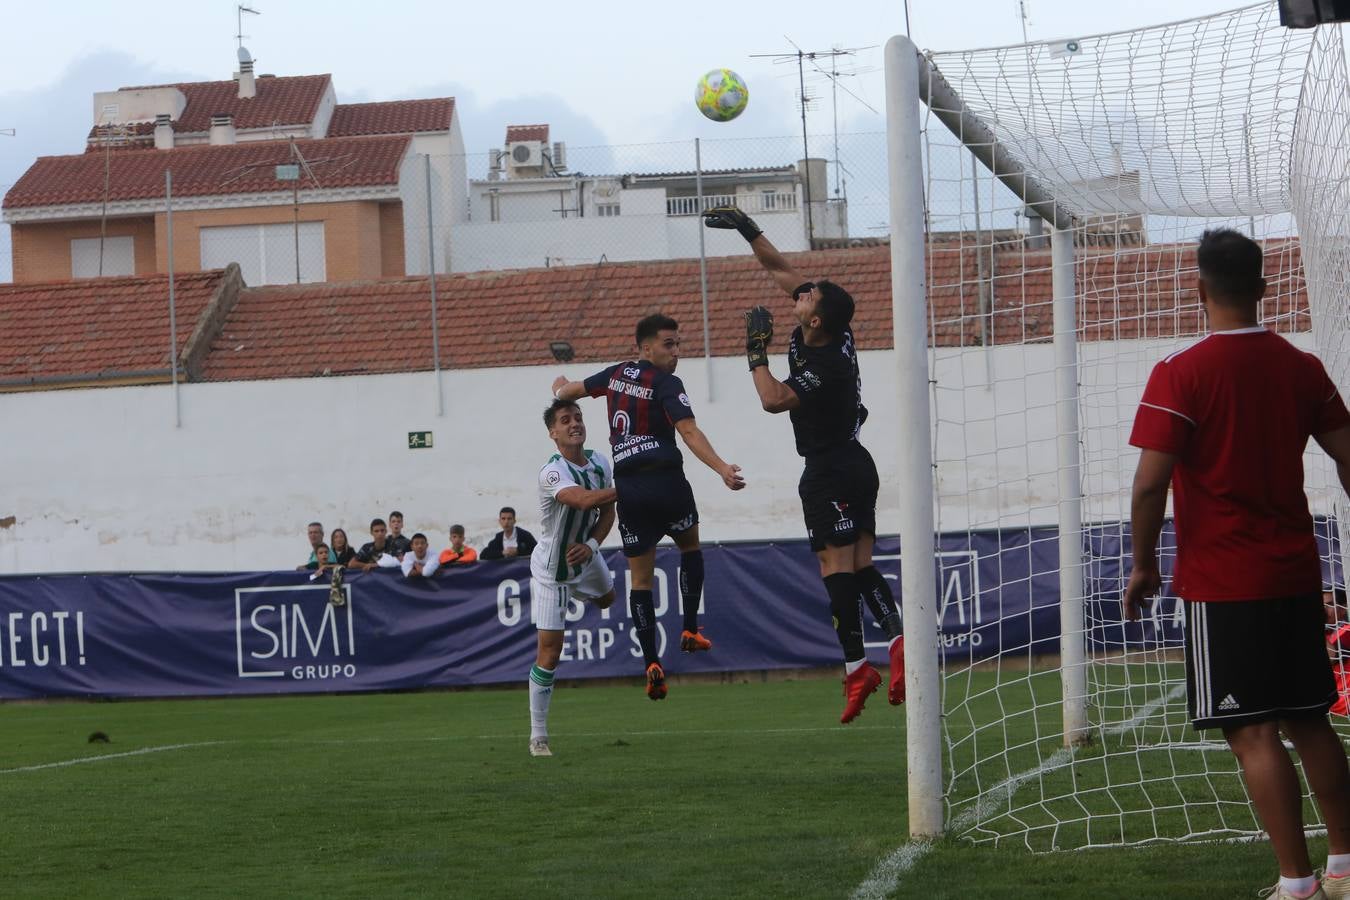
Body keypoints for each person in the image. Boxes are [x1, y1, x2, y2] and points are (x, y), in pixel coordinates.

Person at [1123, 228, 1350, 900]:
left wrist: (1142, 564)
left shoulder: (1179, 374)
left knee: (1251, 730)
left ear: (1199, 290)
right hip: (1294, 574)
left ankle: (1296, 883)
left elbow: (1147, 485)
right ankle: (1345, 866)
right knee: (1311, 721)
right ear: (1261, 287)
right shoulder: (1300, 367)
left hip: (1225, 584)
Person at [702, 205, 905, 724]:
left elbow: (772, 400)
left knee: (833, 568)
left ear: (815, 319)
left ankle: (858, 667)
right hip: (857, 463)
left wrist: (753, 350)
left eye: (809, 295)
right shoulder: (823, 327)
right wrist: (748, 228)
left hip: (831, 467)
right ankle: (899, 645)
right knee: (859, 566)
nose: (802, 291)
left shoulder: (825, 365)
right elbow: (778, 268)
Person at [552, 313, 745, 701]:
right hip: (667, 481)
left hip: (630, 490)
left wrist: (559, 387)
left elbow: (569, 390)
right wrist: (722, 468)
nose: (676, 352)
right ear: (645, 347)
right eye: (669, 345)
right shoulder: (667, 383)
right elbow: (688, 431)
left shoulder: (615, 374)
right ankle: (690, 627)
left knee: (640, 582)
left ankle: (651, 663)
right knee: (690, 547)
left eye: (677, 344)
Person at [526, 398, 619, 757]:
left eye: (578, 417)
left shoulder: (600, 462)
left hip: (584, 554)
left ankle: (583, 591)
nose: (574, 423)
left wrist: (593, 546)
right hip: (554, 569)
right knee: (550, 653)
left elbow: (607, 511)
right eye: (565, 420)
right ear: (553, 433)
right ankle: (538, 736)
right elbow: (583, 501)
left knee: (610, 599)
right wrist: (635, 485)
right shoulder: (552, 472)